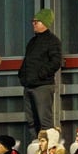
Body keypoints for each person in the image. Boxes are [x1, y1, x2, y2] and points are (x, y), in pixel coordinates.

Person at [19, 8, 62, 142]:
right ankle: (36, 146)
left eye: (37, 21)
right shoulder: (32, 42)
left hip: (43, 86)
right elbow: (27, 61)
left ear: (45, 23)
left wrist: (41, 74)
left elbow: (56, 62)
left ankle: (47, 151)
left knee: (45, 122)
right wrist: (22, 75)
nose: (34, 23)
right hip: (29, 85)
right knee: (31, 121)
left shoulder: (53, 41)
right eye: (33, 21)